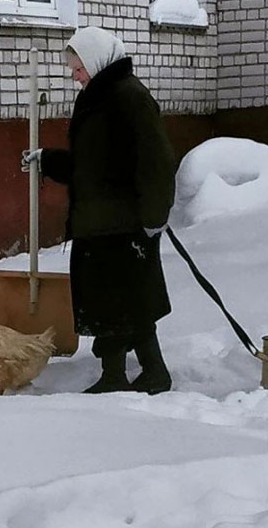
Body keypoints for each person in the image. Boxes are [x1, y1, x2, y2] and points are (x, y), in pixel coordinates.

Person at [22, 26, 176, 395]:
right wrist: (47, 159)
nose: (75, 77)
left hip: (123, 225)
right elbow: (88, 166)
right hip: (99, 223)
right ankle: (129, 374)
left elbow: (156, 163)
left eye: (78, 69)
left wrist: (154, 218)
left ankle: (137, 374)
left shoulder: (129, 98)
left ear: (95, 61)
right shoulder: (98, 97)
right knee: (117, 302)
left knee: (125, 301)